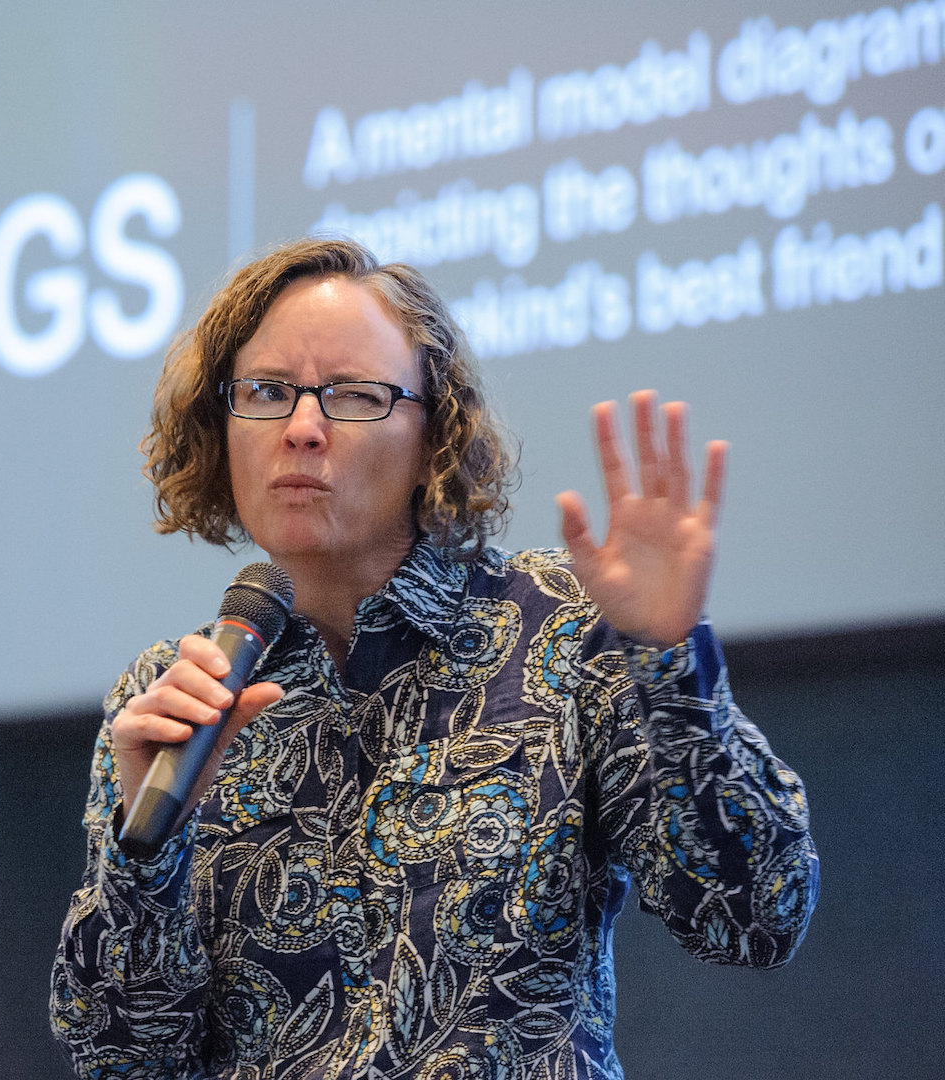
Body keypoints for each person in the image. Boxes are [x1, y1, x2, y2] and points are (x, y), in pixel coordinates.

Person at [49, 238, 817, 1080]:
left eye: (354, 396)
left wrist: (673, 667)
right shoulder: (170, 698)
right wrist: (142, 852)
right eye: (267, 393)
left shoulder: (564, 630)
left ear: (433, 438)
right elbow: (122, 1062)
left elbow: (754, 919)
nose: (303, 429)